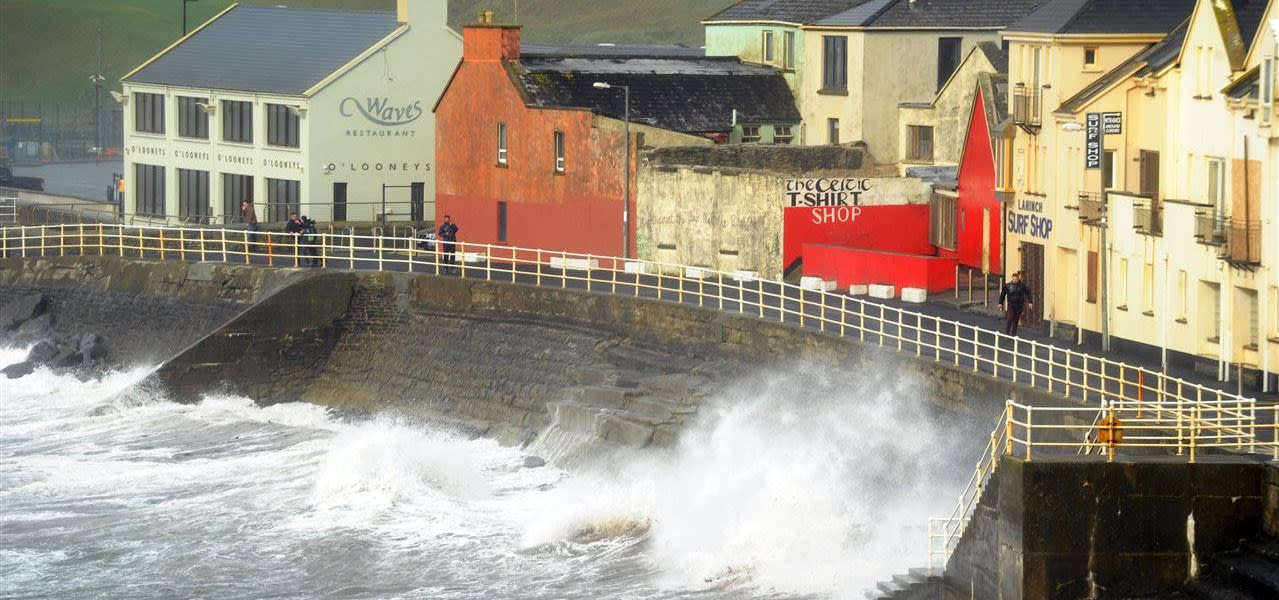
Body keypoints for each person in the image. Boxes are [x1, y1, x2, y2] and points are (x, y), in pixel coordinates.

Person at [997, 272, 1034, 337]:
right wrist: (1000, 303)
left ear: (1018, 279)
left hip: (1019, 305)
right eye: (1013, 279)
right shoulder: (1008, 286)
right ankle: (1007, 333)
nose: (1014, 280)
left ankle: (1013, 334)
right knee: (1010, 318)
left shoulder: (1022, 286)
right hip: (1011, 304)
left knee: (1016, 320)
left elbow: (1028, 293)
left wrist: (1030, 302)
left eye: (1016, 279)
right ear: (1012, 279)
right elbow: (1002, 295)